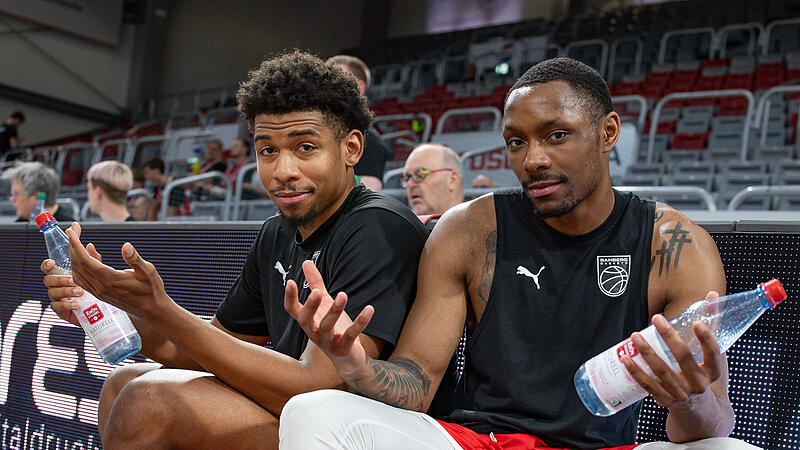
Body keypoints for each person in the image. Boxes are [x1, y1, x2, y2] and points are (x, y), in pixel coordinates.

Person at [280, 58, 755, 449]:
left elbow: (710, 421)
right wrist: (357, 368)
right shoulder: (468, 228)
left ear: (608, 132)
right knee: (313, 411)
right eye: (516, 142)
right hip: (477, 441)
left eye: (557, 135)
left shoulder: (676, 245)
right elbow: (419, 379)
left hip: (604, 449)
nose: (533, 160)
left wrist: (689, 402)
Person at [40, 50, 428, 449]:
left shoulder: (379, 226)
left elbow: (316, 386)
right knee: (123, 382)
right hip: (305, 409)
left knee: (149, 400)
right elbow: (209, 347)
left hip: (363, 427)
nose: (283, 171)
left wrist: (162, 308)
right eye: (267, 150)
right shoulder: (277, 233)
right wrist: (109, 312)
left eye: (306, 148)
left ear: (351, 149)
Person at [327, 54, 388, 192]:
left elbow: (367, 199)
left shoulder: (370, 141)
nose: (327, 88)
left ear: (359, 87)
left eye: (335, 80)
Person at [2, 161, 75, 223]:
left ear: (38, 198)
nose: (11, 199)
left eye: (15, 194)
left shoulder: (69, 230)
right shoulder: (19, 226)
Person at [403, 143, 464, 216]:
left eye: (420, 174)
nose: (410, 184)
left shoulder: (479, 225)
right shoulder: (399, 226)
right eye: (407, 177)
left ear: (452, 180)